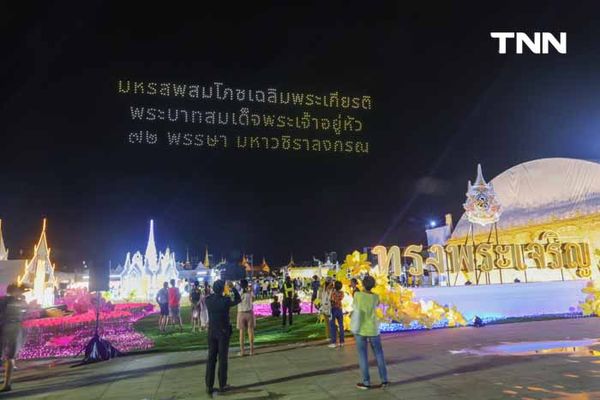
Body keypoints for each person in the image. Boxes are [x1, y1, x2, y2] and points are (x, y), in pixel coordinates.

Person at [205, 280, 241, 395]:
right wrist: (232, 288)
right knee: (222, 359)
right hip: (223, 332)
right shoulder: (225, 301)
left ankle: (209, 385)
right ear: (222, 289)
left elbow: (208, 296)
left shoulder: (208, 300)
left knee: (211, 359)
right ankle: (222, 385)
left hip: (212, 332)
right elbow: (238, 299)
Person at [352, 275, 388, 390]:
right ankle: (384, 380)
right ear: (373, 286)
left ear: (363, 284)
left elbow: (355, 307)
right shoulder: (375, 297)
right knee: (379, 354)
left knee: (363, 356)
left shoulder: (357, 295)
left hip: (360, 328)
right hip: (373, 328)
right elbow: (376, 305)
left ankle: (366, 382)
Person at [0, 284, 26, 392]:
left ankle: (6, 384)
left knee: (9, 357)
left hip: (6, 328)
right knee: (11, 357)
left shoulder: (4, 301)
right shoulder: (20, 302)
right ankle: (7, 383)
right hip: (15, 329)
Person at [237, 279, 255, 356]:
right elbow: (253, 299)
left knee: (241, 333)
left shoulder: (239, 293)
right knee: (250, 332)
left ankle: (242, 351)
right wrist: (250, 291)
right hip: (249, 313)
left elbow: (236, 301)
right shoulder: (250, 292)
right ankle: (251, 351)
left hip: (241, 313)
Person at [328, 280, 345, 348]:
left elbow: (327, 290)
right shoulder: (342, 293)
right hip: (340, 309)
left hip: (333, 309)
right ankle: (342, 341)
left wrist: (331, 283)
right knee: (341, 326)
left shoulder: (333, 293)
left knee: (332, 326)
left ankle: (334, 342)